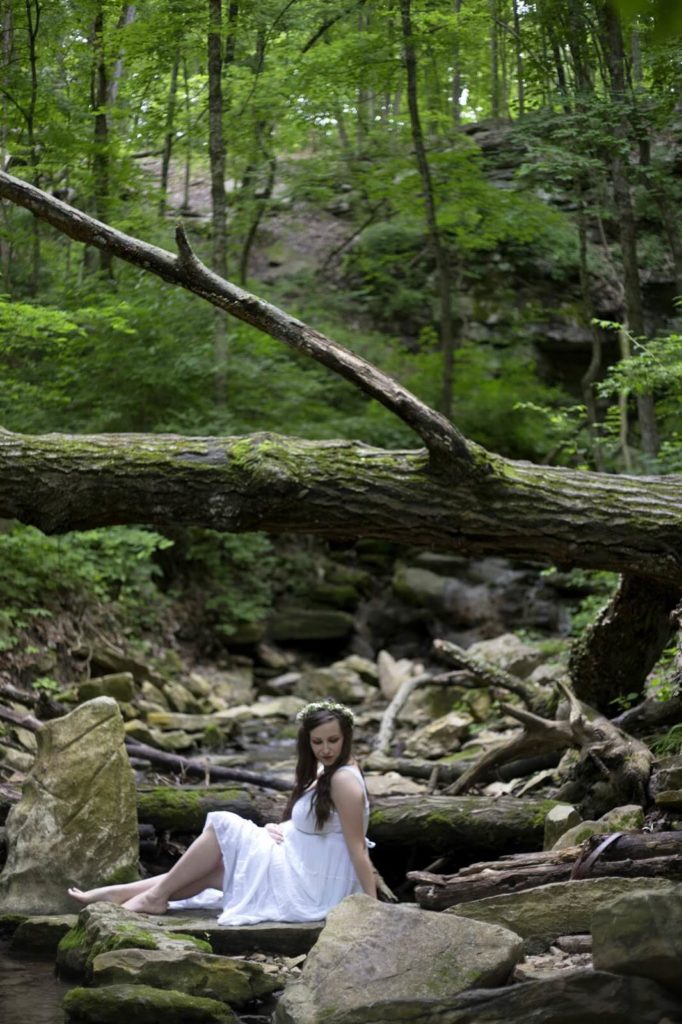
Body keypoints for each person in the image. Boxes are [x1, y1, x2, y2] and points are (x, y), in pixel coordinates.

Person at [67, 698, 377, 924]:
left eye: (333, 740)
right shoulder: (329, 770)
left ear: (347, 736)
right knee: (217, 870)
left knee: (223, 826)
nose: (325, 749)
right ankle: (122, 893)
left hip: (313, 881)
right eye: (317, 742)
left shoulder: (343, 781)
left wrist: (376, 910)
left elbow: (356, 846)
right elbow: (319, 824)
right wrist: (282, 829)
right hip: (297, 859)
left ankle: (147, 896)